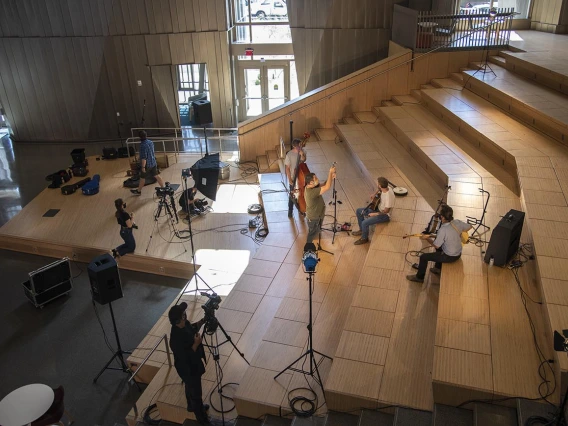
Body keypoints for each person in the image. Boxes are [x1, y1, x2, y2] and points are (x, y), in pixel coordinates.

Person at [168, 302, 210, 424]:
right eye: (183, 315)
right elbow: (185, 358)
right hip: (188, 369)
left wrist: (202, 321)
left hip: (193, 365)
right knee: (196, 394)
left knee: (189, 387)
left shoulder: (184, 324)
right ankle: (202, 419)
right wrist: (196, 344)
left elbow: (192, 328)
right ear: (177, 320)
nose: (185, 316)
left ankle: (190, 406)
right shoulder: (175, 340)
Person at [406, 205, 472, 283]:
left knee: (423, 257)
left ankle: (419, 277)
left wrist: (427, 238)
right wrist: (459, 234)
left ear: (443, 217)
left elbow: (436, 245)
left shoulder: (443, 229)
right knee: (439, 248)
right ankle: (437, 268)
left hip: (450, 256)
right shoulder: (457, 222)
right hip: (458, 253)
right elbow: (469, 227)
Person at [352, 177, 395, 245]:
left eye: (378, 183)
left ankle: (364, 238)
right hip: (378, 209)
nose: (377, 185)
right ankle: (362, 230)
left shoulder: (389, 197)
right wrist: (374, 194)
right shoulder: (387, 187)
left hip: (384, 215)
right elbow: (379, 189)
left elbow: (386, 211)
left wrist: (374, 214)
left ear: (380, 185)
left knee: (364, 223)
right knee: (358, 211)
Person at [304, 165, 336, 244]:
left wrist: (331, 178)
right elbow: (327, 187)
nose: (317, 179)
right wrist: (330, 172)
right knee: (312, 235)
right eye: (316, 178)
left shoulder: (311, 186)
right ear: (311, 182)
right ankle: (308, 249)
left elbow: (324, 184)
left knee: (317, 232)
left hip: (318, 215)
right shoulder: (311, 192)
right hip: (313, 218)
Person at [131, 130, 165, 195]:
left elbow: (144, 157)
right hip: (153, 162)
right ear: (146, 135)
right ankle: (163, 188)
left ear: (140, 137)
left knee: (142, 178)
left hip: (147, 165)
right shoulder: (150, 142)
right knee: (156, 175)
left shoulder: (142, 145)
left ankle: (138, 191)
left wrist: (143, 167)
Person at [284, 138, 307, 218]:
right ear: (294, 146)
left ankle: (302, 209)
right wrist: (289, 179)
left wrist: (302, 155)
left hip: (300, 177)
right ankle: (290, 211)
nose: (300, 147)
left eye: (300, 146)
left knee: (302, 194)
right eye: (298, 146)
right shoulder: (289, 154)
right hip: (293, 178)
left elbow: (303, 160)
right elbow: (287, 168)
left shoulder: (302, 152)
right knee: (292, 195)